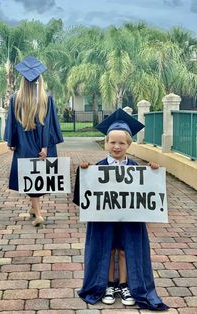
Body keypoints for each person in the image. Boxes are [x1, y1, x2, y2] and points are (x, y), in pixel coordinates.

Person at [73, 108, 169, 311]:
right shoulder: (96, 168)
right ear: (106, 143)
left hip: (130, 219)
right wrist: (83, 173)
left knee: (125, 250)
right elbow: (83, 198)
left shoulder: (137, 169)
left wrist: (152, 171)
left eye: (122, 143)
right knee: (108, 249)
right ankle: (108, 285)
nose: (117, 146)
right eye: (112, 142)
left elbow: (150, 192)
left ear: (129, 145)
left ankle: (125, 286)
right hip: (104, 219)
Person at [4, 55, 63, 227]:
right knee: (37, 178)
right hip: (42, 143)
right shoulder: (47, 99)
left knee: (32, 177)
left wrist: (12, 142)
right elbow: (49, 126)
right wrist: (45, 146)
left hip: (24, 144)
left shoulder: (16, 98)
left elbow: (12, 124)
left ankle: (34, 209)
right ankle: (38, 213)